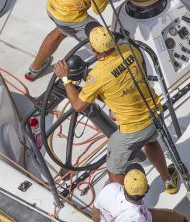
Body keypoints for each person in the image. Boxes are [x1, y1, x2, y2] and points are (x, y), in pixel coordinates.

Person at [54, 27, 179, 193]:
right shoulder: (130, 49)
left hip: (132, 130)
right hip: (156, 114)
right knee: (151, 140)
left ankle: (122, 206)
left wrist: (65, 78)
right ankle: (168, 180)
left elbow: (78, 105)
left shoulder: (97, 76)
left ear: (93, 49)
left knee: (114, 169)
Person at [92, 163, 188, 221]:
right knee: (174, 217)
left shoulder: (110, 188)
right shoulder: (138, 217)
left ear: (124, 186)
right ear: (146, 189)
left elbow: (95, 211)